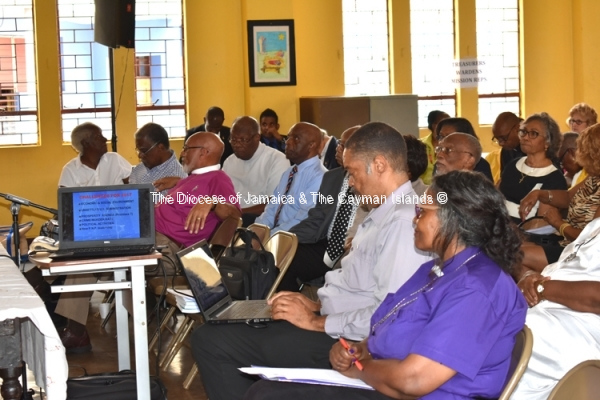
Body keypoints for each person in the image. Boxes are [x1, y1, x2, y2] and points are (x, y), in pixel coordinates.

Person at [191, 122, 432, 400]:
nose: (351, 183)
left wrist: (316, 322)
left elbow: (389, 317)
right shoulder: (384, 213)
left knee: (212, 341)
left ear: (379, 165)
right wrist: (314, 306)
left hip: (350, 345)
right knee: (226, 328)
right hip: (333, 324)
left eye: (353, 173)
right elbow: (362, 291)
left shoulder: (401, 223)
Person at [244, 170, 527, 400]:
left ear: (454, 219)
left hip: (424, 395)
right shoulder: (436, 269)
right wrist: (360, 350)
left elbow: (415, 380)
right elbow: (393, 322)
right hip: (386, 382)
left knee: (267, 395)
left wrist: (361, 368)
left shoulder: (477, 288)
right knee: (266, 390)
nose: (414, 218)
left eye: (422, 211)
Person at [511, 217, 600, 399]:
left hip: (578, 326)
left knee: (507, 330)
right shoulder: (595, 224)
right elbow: (567, 268)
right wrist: (529, 278)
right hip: (550, 303)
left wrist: (542, 288)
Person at [278, 125, 360, 291]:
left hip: (353, 247)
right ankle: (291, 305)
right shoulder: (331, 178)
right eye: (339, 144)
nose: (338, 149)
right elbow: (317, 217)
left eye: (344, 146)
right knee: (282, 256)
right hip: (325, 243)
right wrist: (286, 237)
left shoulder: (372, 182)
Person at [517, 124, 600, 270]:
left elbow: (591, 238)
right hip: (567, 242)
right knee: (510, 243)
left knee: (515, 254)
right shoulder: (594, 177)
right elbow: (568, 197)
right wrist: (539, 194)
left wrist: (559, 224)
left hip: (583, 255)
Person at [154, 131, 241, 257]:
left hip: (167, 243)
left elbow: (235, 215)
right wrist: (180, 182)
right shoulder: (195, 177)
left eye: (186, 148)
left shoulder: (218, 178)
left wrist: (213, 202)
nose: (182, 153)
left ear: (203, 152)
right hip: (153, 234)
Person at [254, 122, 327, 234]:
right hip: (275, 233)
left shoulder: (319, 176)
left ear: (311, 145)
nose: (288, 142)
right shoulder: (290, 171)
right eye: (288, 137)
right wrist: (258, 230)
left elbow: (302, 219)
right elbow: (272, 208)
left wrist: (269, 236)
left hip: (292, 237)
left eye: (296, 138)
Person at [499, 112, 567, 223]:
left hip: (524, 231)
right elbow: (494, 197)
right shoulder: (513, 164)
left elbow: (540, 224)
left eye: (533, 134)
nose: (525, 138)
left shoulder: (554, 178)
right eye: (523, 132)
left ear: (548, 142)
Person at [222, 116, 290, 226]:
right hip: (230, 218)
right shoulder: (229, 162)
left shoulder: (277, 160)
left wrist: (238, 213)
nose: (237, 144)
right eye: (233, 140)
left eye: (243, 140)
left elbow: (275, 204)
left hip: (259, 221)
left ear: (257, 138)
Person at [58, 122, 131, 187]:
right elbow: (65, 197)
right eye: (98, 136)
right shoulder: (70, 170)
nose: (105, 139)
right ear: (85, 143)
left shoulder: (115, 159)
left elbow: (134, 185)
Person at [129, 122, 187, 196]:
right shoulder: (138, 169)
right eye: (138, 150)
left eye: (144, 150)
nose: (140, 155)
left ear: (161, 148)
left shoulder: (178, 177)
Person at [435, 117, 493, 181]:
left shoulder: (481, 165)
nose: (442, 141)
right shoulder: (440, 163)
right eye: (441, 136)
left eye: (450, 136)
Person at [487, 111, 525, 184]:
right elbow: (505, 178)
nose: (500, 143)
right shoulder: (507, 150)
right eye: (497, 139)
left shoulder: (532, 146)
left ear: (517, 129)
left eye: (503, 138)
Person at [420, 110, 450, 184]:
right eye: (445, 123)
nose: (449, 126)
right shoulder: (420, 144)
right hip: (421, 188)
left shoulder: (453, 146)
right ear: (434, 126)